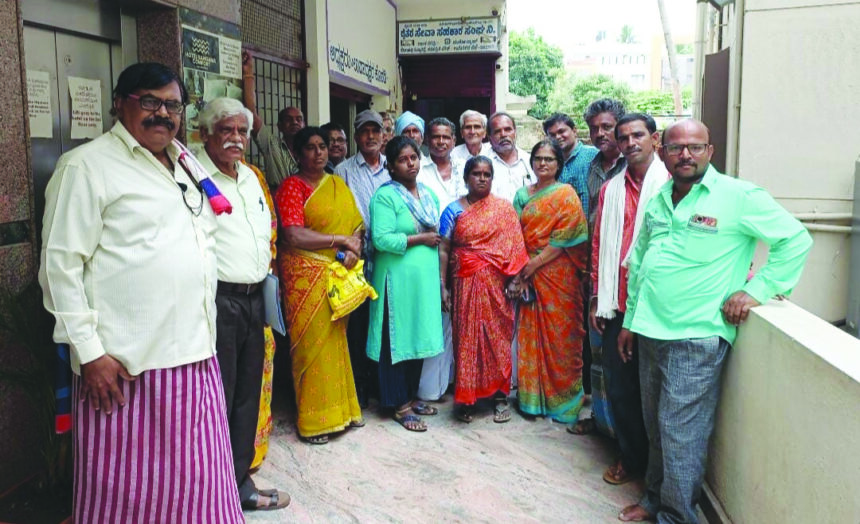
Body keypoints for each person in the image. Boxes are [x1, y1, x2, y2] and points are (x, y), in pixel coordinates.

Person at [39, 62, 244, 522]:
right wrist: (91, 354)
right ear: (120, 104)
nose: (162, 113)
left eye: (172, 104)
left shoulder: (186, 163)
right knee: (129, 499)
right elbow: (60, 268)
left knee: (199, 490)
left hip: (195, 358)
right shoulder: (87, 167)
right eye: (149, 102)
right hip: (126, 370)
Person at [617, 119, 812, 523]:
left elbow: (795, 240)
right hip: (650, 330)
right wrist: (630, 321)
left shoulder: (738, 196)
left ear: (711, 151)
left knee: (680, 435)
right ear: (663, 151)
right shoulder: (660, 199)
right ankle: (654, 499)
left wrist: (755, 291)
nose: (685, 154)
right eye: (676, 148)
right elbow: (640, 264)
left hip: (696, 337)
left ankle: (675, 516)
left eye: (694, 147)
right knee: (655, 427)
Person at [197, 97, 289, 510]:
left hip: (255, 301)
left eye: (242, 132)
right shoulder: (193, 175)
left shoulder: (251, 177)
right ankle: (214, 486)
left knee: (248, 395)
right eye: (226, 130)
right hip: (217, 300)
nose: (236, 139)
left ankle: (240, 483)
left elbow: (267, 231)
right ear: (205, 134)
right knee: (218, 395)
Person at [587, 113, 669, 487]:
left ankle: (658, 470)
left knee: (656, 396)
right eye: (624, 137)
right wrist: (595, 296)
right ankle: (630, 457)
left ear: (654, 139)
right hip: (616, 302)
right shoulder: (611, 189)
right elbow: (599, 244)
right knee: (619, 389)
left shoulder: (672, 185)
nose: (630, 142)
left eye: (638, 135)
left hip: (659, 307)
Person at [275, 126, 365, 444]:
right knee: (312, 348)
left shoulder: (337, 184)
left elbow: (356, 227)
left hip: (338, 274)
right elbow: (293, 235)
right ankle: (315, 421)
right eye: (311, 148)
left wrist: (352, 250)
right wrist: (340, 240)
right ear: (298, 154)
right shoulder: (292, 187)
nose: (319, 153)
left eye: (322, 146)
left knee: (338, 345)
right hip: (305, 278)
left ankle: (344, 410)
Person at [439, 156, 529, 423]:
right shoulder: (453, 210)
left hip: (496, 287)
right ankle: (466, 399)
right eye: (476, 174)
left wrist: (515, 280)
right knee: (466, 340)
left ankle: (500, 396)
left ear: (492, 178)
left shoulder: (504, 210)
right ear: (466, 178)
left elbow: (515, 248)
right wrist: (443, 286)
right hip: (464, 284)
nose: (481, 178)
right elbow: (444, 249)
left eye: (486, 174)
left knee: (497, 340)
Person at [368, 136, 445, 432]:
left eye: (413, 157)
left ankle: (411, 397)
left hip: (422, 282)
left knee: (418, 335)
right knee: (396, 341)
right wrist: (419, 239)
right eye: (402, 159)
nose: (410, 163)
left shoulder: (428, 196)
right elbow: (381, 239)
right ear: (390, 166)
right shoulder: (385, 197)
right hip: (395, 282)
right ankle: (398, 404)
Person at [512, 139, 589, 424]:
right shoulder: (522, 195)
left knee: (562, 337)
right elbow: (515, 234)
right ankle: (532, 401)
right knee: (531, 334)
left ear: (559, 164)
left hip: (559, 276)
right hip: (529, 273)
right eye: (538, 158)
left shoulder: (566, 195)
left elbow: (566, 238)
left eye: (549, 159)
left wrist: (533, 265)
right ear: (531, 162)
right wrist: (523, 270)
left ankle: (565, 401)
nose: (543, 164)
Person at [335, 109, 389, 406]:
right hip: (354, 257)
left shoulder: (392, 167)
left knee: (383, 321)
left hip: (386, 257)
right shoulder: (342, 170)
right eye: (364, 131)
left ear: (383, 136)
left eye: (375, 131)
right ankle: (358, 392)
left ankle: (381, 387)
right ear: (355, 136)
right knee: (357, 324)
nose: (370, 136)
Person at [415, 117, 467, 402]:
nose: (441, 142)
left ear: (454, 139)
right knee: (435, 317)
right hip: (430, 251)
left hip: (465, 255)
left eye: (446, 137)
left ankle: (455, 381)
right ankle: (430, 388)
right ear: (428, 140)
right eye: (435, 137)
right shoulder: (419, 171)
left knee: (461, 319)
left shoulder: (465, 169)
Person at [242, 50, 304, 189]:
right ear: (280, 126)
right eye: (289, 119)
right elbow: (251, 113)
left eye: (299, 119)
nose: (295, 122)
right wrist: (248, 73)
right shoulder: (271, 144)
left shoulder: (311, 148)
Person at [585, 99, 627, 229]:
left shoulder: (632, 165)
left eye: (607, 127)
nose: (600, 134)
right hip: (596, 244)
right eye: (594, 129)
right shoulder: (592, 166)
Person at [543, 112, 599, 212]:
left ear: (574, 130)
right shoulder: (548, 165)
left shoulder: (594, 155)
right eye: (552, 135)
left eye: (561, 131)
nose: (557, 137)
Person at [487, 111, 535, 202]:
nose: (503, 135)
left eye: (508, 129)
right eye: (497, 131)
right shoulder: (482, 164)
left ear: (515, 132)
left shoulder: (530, 161)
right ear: (489, 138)